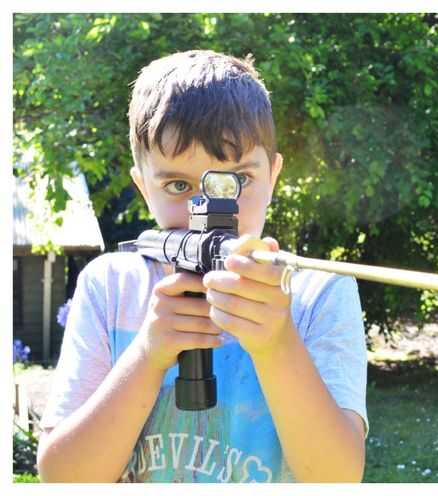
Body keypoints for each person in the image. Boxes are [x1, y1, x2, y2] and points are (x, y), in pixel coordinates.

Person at [37, 49, 368, 483]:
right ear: (144, 188)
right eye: (178, 184)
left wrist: (277, 345)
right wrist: (148, 355)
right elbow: (61, 478)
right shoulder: (110, 286)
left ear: (273, 176)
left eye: (237, 180)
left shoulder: (320, 291)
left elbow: (337, 478)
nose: (208, 210)